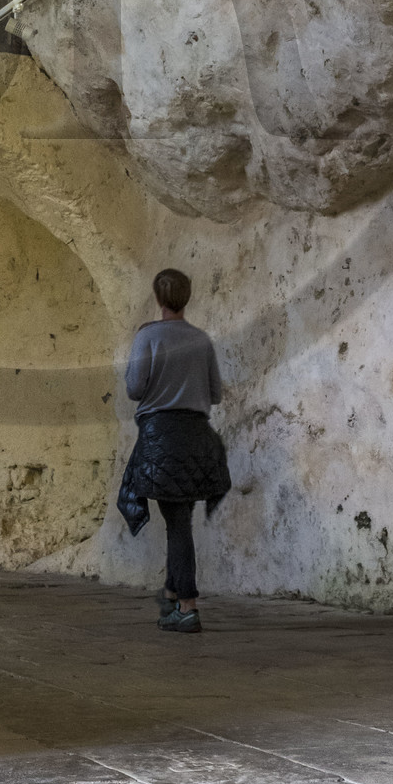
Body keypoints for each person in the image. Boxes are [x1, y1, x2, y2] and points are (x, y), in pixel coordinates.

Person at [116, 268, 230, 633]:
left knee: (178, 525)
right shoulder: (201, 339)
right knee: (178, 521)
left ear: (158, 299)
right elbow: (215, 393)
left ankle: (187, 606)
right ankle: (170, 594)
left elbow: (135, 388)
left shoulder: (148, 336)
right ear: (188, 297)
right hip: (197, 436)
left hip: (162, 436)